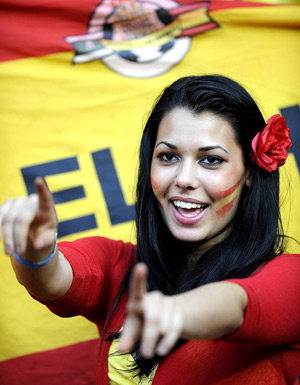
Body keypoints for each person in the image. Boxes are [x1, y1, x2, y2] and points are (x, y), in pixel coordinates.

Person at [0, 75, 299, 385]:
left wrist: (176, 312)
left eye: (211, 160)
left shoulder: (292, 276)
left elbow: (239, 306)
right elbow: (52, 278)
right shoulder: (121, 267)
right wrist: (34, 251)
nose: (184, 178)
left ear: (250, 172)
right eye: (168, 157)